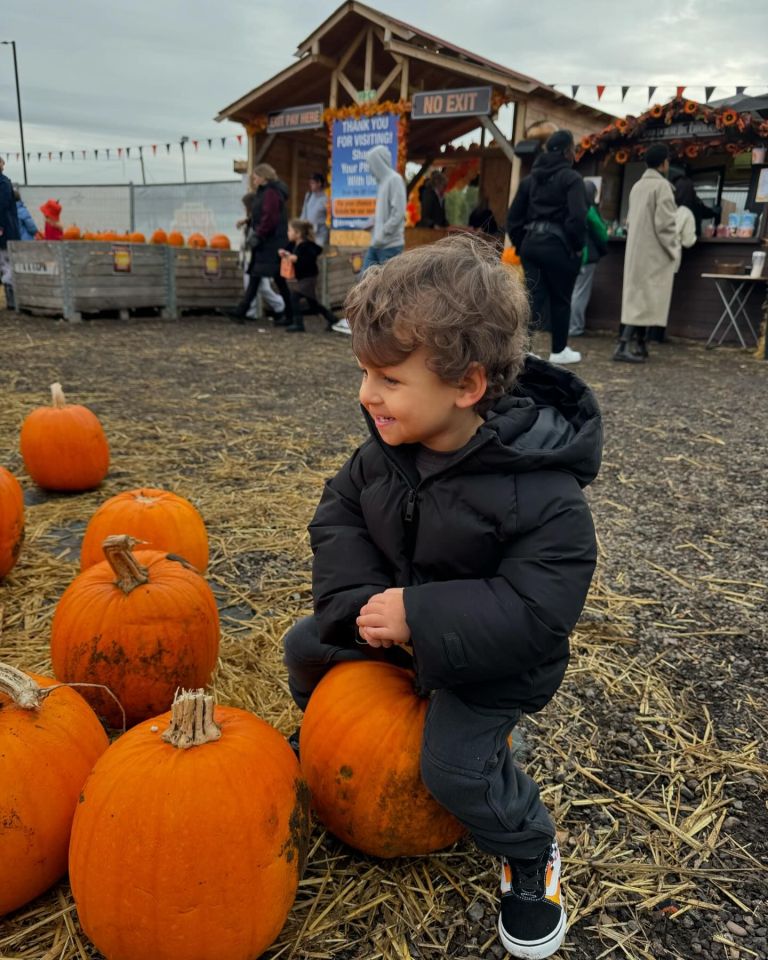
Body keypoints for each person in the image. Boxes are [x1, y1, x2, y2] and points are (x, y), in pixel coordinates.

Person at [283, 235, 601, 960]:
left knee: (452, 767)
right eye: (363, 372)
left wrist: (420, 618)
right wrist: (365, 602)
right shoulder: (385, 450)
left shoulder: (545, 495)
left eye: (388, 379)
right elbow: (337, 515)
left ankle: (529, 852)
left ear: (467, 386)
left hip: (489, 663)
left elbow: (534, 613)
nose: (366, 395)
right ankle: (326, 739)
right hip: (396, 632)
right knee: (304, 647)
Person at [506, 130, 588, 365]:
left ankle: (523, 349)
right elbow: (578, 217)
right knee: (561, 299)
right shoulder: (572, 179)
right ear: (566, 152)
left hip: (531, 243)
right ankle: (559, 349)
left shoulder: (530, 180)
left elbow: (513, 217)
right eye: (573, 149)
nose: (574, 153)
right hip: (559, 245)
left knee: (532, 298)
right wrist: (576, 247)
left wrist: (522, 244)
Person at [614, 144, 680, 363]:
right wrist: (674, 249)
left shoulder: (637, 186)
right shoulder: (663, 187)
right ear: (663, 163)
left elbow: (631, 220)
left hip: (636, 251)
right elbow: (666, 225)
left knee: (637, 296)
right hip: (654, 252)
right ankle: (623, 345)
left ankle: (640, 344)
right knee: (645, 299)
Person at [331, 144, 406, 336]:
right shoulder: (382, 184)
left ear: (378, 163)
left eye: (371, 164)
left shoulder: (394, 180)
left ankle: (388, 326)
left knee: (389, 288)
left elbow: (398, 214)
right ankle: (359, 320)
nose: (369, 168)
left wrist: (382, 235)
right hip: (378, 244)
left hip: (389, 245)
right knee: (365, 281)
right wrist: (371, 223)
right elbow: (382, 214)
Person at [230, 164, 292, 326]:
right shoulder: (267, 192)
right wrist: (249, 221)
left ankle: (242, 312)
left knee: (263, 277)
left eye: (256, 177)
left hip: (270, 243)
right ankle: (288, 314)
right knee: (263, 278)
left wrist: (258, 235)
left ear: (264, 177)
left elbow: (269, 218)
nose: (254, 180)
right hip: (270, 242)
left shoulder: (270, 193)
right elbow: (262, 215)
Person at [278, 219, 338, 333]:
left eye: (290, 230)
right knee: (313, 303)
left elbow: (309, 257)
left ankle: (298, 323)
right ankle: (332, 319)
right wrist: (283, 253)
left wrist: (296, 258)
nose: (288, 233)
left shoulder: (307, 246)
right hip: (302, 277)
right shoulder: (294, 244)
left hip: (309, 277)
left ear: (298, 233)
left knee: (294, 296)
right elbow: (287, 250)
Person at [569, 181, 608, 337]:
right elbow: (602, 232)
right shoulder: (589, 210)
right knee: (580, 293)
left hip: (571, 255)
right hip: (587, 256)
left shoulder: (571, 206)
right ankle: (575, 327)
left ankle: (569, 326)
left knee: (573, 291)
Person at [0, 156, 20, 310]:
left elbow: (2, 205)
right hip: (5, 228)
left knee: (6, 263)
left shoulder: (4, 183)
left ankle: (12, 300)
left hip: (4, 230)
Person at [300, 172, 329, 247]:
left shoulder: (327, 198)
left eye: (312, 183)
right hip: (308, 233)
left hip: (321, 234)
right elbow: (304, 214)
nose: (310, 185)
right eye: (310, 183)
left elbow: (329, 218)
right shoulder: (308, 195)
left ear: (319, 183)